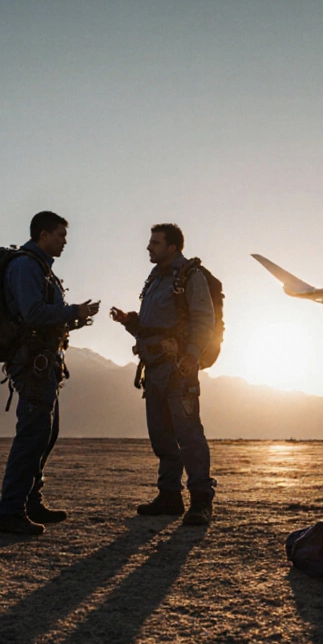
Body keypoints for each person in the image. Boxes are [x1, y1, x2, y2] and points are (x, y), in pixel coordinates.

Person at [0, 210, 100, 535]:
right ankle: (10, 512)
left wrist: (74, 318)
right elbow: (33, 312)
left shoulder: (43, 270)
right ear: (43, 235)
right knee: (33, 434)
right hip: (34, 365)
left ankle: (30, 502)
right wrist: (72, 311)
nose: (65, 242)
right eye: (60, 235)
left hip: (46, 363)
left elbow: (44, 316)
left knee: (46, 434)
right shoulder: (26, 266)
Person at [110, 223, 217, 525]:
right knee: (161, 436)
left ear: (173, 247)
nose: (149, 247)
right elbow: (154, 324)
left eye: (155, 243)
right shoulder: (156, 279)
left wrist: (192, 356)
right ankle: (169, 496)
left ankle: (201, 501)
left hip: (178, 368)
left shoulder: (190, 277)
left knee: (188, 434)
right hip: (154, 369)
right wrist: (129, 322)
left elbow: (203, 320)